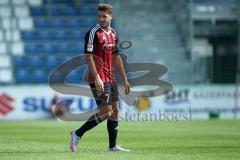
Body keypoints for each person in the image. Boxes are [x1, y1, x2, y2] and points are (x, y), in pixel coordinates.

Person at [70, 3, 131, 152]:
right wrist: (97, 77)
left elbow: (116, 57)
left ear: (111, 16)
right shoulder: (93, 33)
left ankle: (112, 146)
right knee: (105, 112)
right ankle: (77, 134)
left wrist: (125, 79)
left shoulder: (114, 34)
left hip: (110, 77)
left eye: (104, 16)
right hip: (97, 78)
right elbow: (88, 57)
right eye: (99, 16)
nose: (101, 19)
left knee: (115, 111)